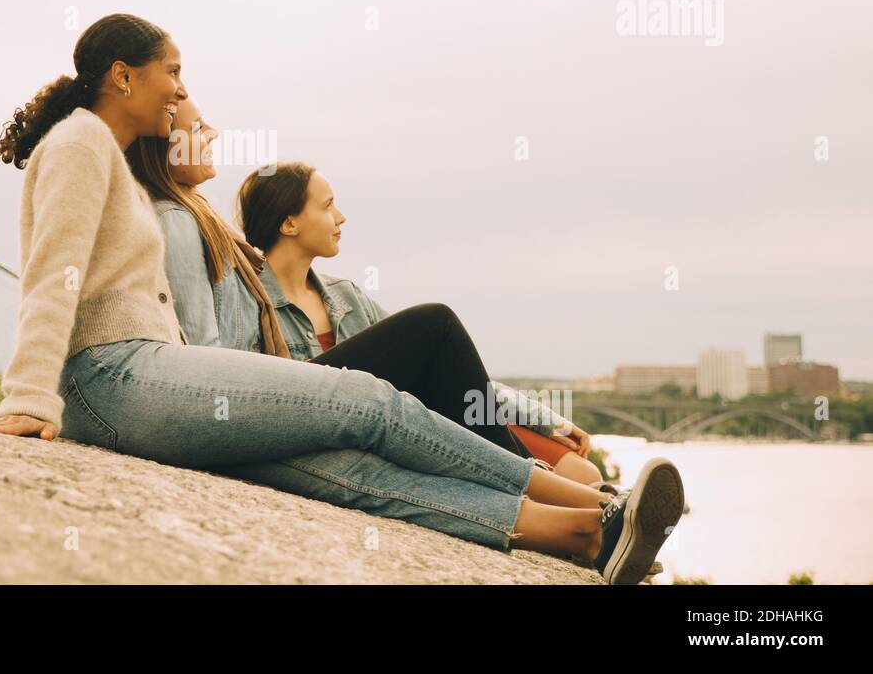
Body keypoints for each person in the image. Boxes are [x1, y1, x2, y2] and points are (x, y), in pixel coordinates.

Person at [0, 12, 684, 583]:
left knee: (346, 474)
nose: (181, 92)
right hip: (111, 376)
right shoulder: (81, 142)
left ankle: (582, 533)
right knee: (368, 402)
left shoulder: (118, 167)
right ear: (123, 77)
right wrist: (28, 402)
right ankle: (593, 501)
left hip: (135, 385)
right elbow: (52, 274)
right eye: (173, 73)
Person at [126, 98, 597, 483]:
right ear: (290, 222)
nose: (342, 217)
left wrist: (543, 416)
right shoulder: (245, 293)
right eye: (328, 206)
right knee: (434, 322)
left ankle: (601, 505)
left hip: (371, 414)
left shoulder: (346, 296)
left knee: (577, 464)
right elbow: (218, 368)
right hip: (310, 410)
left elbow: (455, 371)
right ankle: (527, 480)